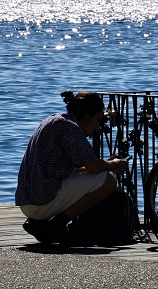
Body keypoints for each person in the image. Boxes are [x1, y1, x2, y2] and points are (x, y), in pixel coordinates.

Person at [15, 90, 128, 244]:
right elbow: (93, 167)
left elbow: (75, 169)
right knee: (108, 181)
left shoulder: (53, 120)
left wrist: (104, 165)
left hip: (28, 201)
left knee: (99, 175)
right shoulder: (69, 127)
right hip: (43, 201)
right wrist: (112, 165)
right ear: (87, 114)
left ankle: (43, 224)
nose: (96, 128)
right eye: (97, 120)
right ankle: (56, 225)